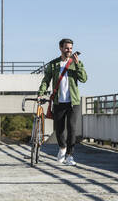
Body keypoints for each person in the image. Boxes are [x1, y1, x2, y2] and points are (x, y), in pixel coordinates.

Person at [38, 38, 87, 166]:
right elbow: (46, 79)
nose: (69, 50)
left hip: (73, 102)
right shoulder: (54, 64)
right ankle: (62, 148)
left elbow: (84, 79)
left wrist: (78, 65)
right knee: (59, 129)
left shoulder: (75, 63)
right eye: (66, 48)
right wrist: (41, 92)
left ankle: (70, 155)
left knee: (72, 128)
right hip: (59, 102)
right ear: (60, 48)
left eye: (70, 48)